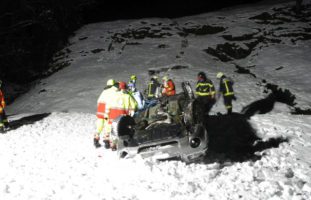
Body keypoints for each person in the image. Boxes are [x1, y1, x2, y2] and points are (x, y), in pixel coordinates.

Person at [107, 82, 138, 150]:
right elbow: (134, 105)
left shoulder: (113, 95)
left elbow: (108, 104)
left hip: (112, 114)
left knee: (113, 129)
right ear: (125, 88)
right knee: (121, 130)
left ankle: (113, 144)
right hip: (121, 115)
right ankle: (123, 143)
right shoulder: (127, 96)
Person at [94, 79, 119, 148]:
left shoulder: (104, 91)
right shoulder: (114, 90)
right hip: (107, 108)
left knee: (100, 122)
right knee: (108, 123)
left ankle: (96, 137)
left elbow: (99, 100)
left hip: (100, 107)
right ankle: (106, 140)